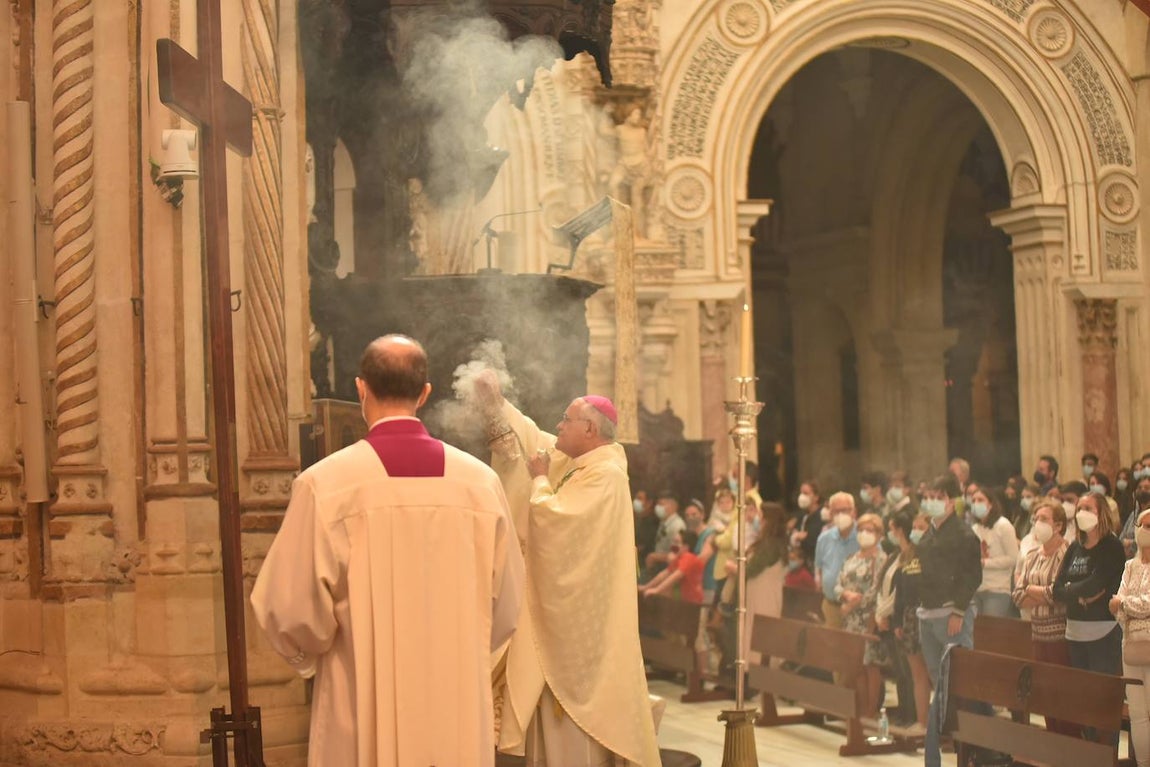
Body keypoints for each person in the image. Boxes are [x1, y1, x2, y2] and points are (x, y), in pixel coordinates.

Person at [251, 335, 525, 767]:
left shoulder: (327, 484)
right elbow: (507, 606)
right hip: (454, 697)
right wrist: (457, 643)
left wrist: (318, 652)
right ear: (425, 392)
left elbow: (288, 608)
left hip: (359, 694)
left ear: (361, 388)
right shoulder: (480, 483)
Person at [476, 372, 661, 767]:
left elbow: (556, 523)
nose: (558, 426)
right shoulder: (578, 462)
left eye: (566, 420)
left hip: (579, 637)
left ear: (590, 429)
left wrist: (540, 480)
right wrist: (496, 401)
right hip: (563, 627)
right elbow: (530, 437)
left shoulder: (605, 475)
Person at [917, 474, 982, 767]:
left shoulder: (964, 534)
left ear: (952, 500)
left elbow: (972, 576)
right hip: (927, 615)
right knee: (940, 685)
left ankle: (934, 757)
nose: (931, 501)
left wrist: (958, 610)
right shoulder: (929, 533)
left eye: (938, 496)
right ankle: (976, 747)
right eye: (928, 495)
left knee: (951, 686)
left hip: (951, 615)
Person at [1011, 499, 1077, 736]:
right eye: (1036, 519)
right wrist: (1036, 592)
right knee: (1045, 692)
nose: (1038, 524)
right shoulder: (1031, 555)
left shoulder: (1067, 553)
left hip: (1060, 634)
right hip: (1037, 632)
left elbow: (1059, 595)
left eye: (1044, 519)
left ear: (1058, 525)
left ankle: (1070, 744)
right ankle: (1054, 746)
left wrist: (1032, 591)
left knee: (1063, 692)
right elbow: (1018, 595)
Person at [1052, 491, 1125, 695]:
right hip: (1075, 630)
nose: (1082, 513)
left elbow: (1096, 582)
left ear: (1101, 513)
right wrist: (1079, 593)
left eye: (1088, 509)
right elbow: (1056, 589)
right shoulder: (1075, 546)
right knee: (1082, 695)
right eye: (1079, 509)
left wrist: (1071, 589)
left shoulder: (1111, 546)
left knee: (1101, 695)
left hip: (1102, 631)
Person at [877, 508, 929, 734]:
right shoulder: (907, 556)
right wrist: (897, 620)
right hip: (909, 616)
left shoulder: (931, 555)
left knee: (931, 672)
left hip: (928, 614)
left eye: (921, 528)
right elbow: (901, 591)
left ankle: (935, 722)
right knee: (915, 672)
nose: (915, 531)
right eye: (915, 527)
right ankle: (921, 720)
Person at [835, 512, 889, 719]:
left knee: (870, 665)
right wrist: (844, 595)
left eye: (870, 530)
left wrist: (854, 605)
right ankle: (857, 708)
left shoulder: (881, 559)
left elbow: (877, 590)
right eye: (861, 529)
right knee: (855, 665)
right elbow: (839, 583)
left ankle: (870, 709)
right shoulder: (852, 557)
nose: (864, 533)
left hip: (868, 618)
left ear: (879, 534)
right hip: (849, 619)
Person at [1111, 508, 1150, 767]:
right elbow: (1115, 606)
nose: (1144, 530)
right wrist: (1125, 607)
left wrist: (1125, 604)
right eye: (1141, 524)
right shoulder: (1129, 565)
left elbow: (1148, 604)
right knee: (1138, 715)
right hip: (1130, 643)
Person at [970, 487, 1020, 617]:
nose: (976, 503)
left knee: (991, 633)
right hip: (976, 588)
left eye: (980, 500)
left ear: (991, 504)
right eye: (973, 500)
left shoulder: (1003, 525)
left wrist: (986, 563)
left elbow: (1013, 558)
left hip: (997, 589)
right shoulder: (974, 528)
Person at [814, 492, 859, 628]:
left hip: (857, 609)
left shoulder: (864, 536)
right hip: (831, 606)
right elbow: (819, 568)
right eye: (836, 511)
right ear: (830, 514)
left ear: (854, 512)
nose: (840, 514)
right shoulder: (824, 538)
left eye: (844, 510)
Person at [640, 530, 704, 603]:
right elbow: (664, 574)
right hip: (684, 600)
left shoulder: (689, 557)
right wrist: (646, 587)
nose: (673, 545)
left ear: (686, 547)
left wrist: (657, 590)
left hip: (692, 602)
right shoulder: (679, 558)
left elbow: (676, 576)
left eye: (677, 542)